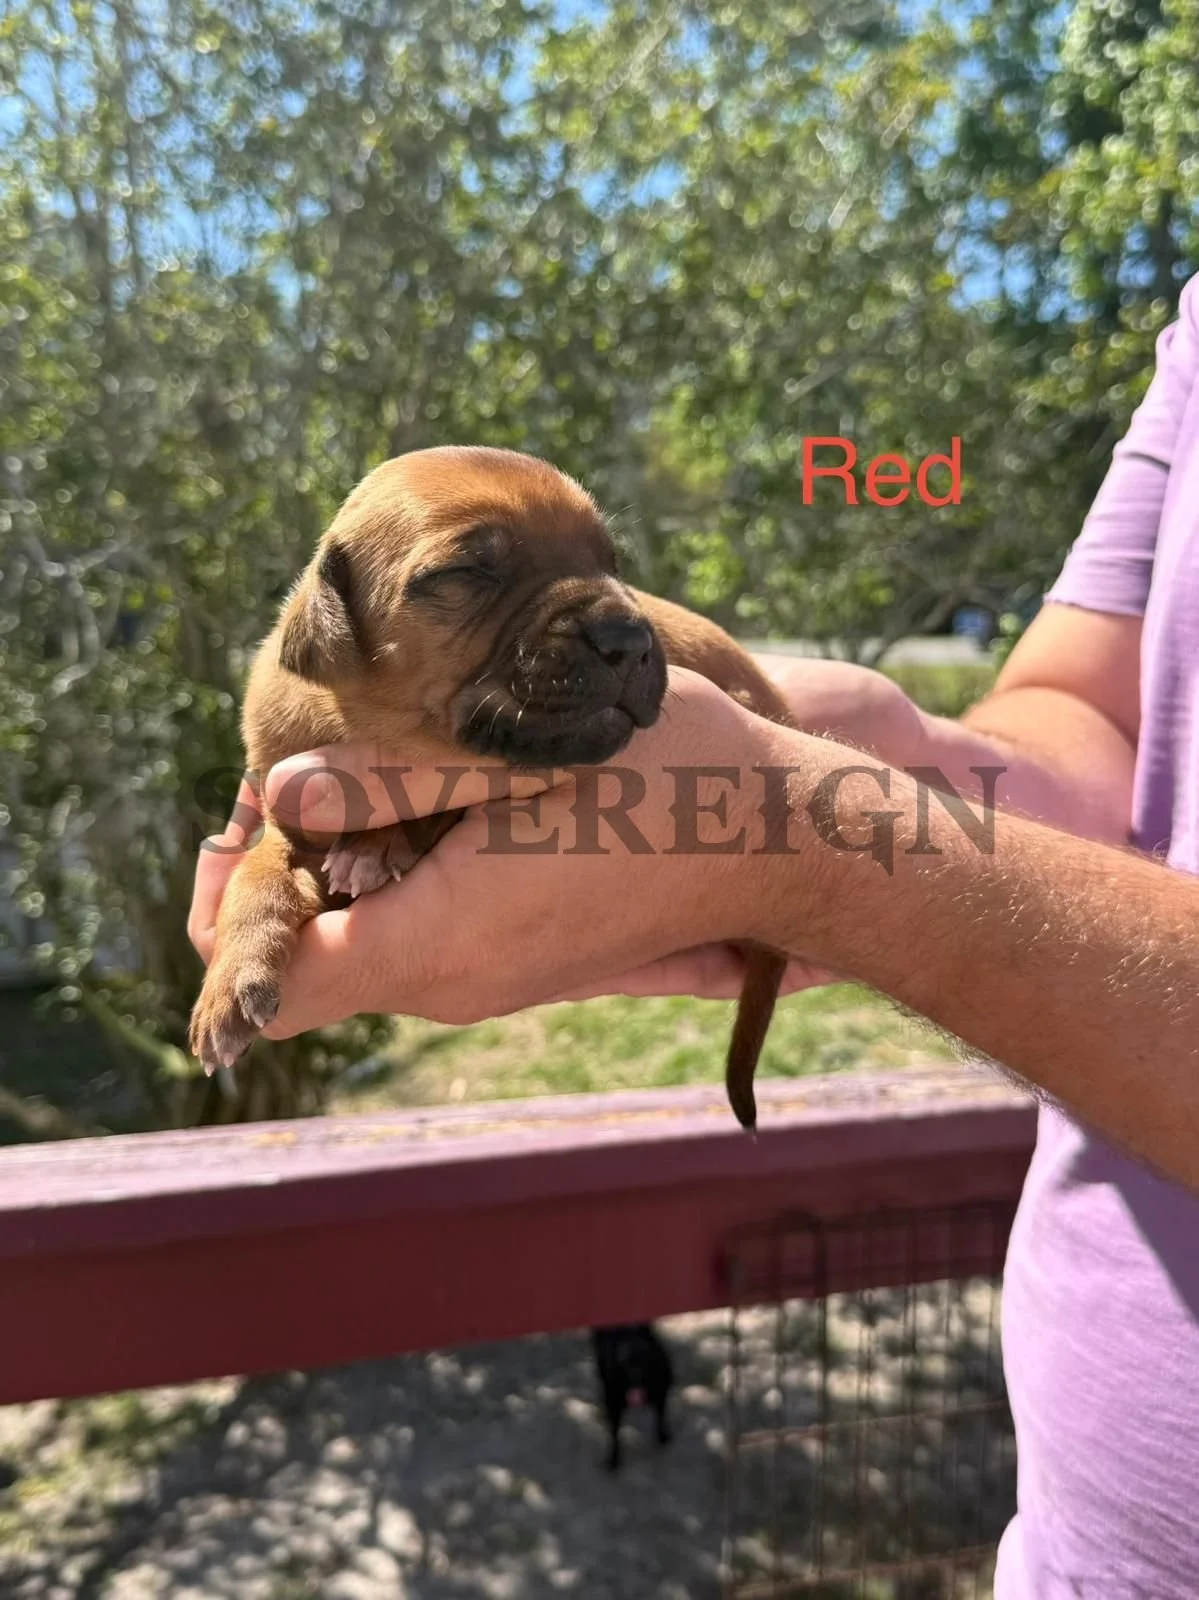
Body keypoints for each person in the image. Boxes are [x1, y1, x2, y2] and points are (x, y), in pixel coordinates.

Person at [191, 279, 1199, 1596]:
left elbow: (765, 801)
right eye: (470, 577)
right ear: (335, 625)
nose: (612, 618)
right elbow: (1102, 726)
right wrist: (912, 754)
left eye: (600, 565)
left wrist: (803, 840)